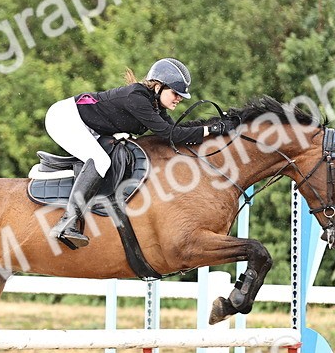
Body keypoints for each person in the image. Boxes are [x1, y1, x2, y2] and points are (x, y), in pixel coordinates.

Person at [44, 58, 229, 248]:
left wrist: (212, 132)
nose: (179, 98)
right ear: (158, 87)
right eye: (175, 93)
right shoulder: (137, 98)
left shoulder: (155, 105)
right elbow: (169, 134)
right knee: (100, 161)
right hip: (64, 119)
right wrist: (209, 129)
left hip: (88, 125)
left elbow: (175, 136)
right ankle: (67, 222)